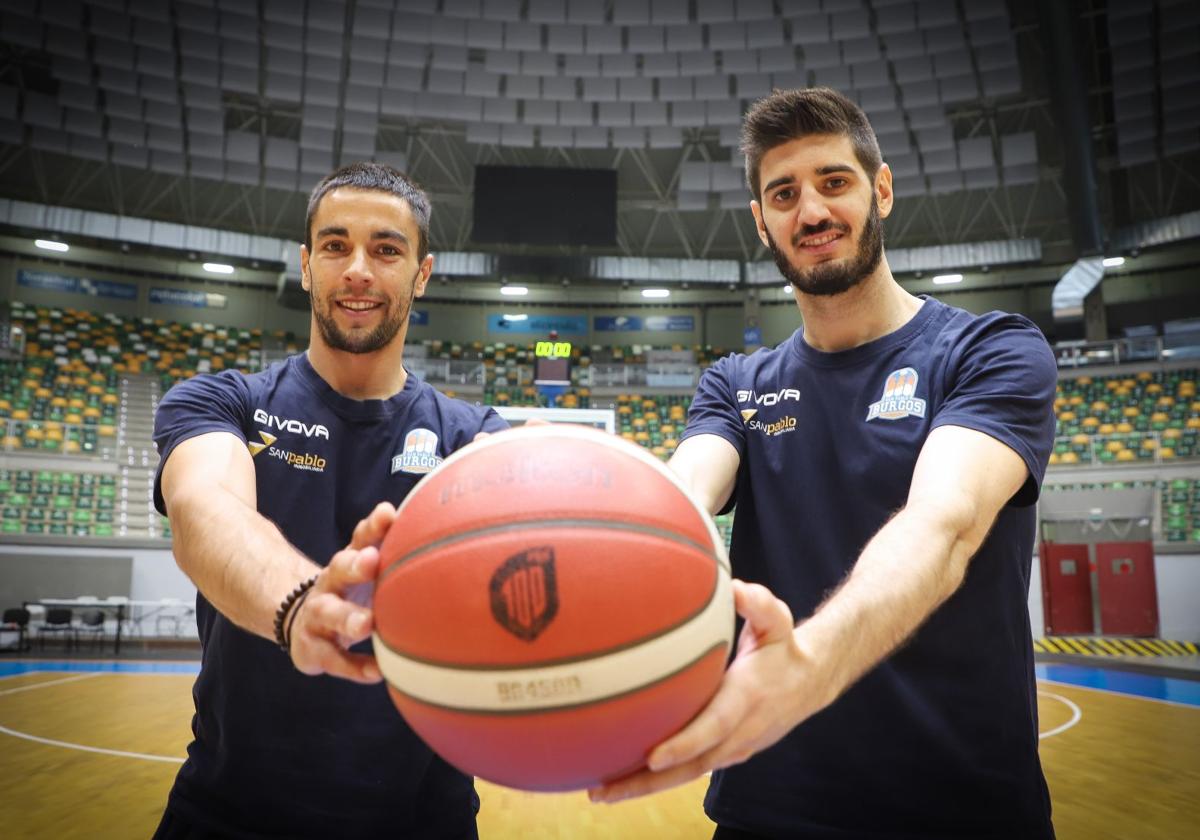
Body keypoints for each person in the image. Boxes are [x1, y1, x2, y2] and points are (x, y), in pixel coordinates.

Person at [590, 88, 1058, 840]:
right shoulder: (736, 385)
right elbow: (680, 493)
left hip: (962, 810)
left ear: (881, 189)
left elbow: (945, 523)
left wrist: (808, 667)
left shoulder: (990, 351)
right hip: (767, 810)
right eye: (784, 193)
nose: (810, 212)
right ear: (761, 221)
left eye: (833, 182)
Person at [152, 162, 507, 838]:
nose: (359, 270)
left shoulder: (476, 439)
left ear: (422, 274)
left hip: (422, 820)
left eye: (386, 249)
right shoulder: (224, 402)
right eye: (337, 245)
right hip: (227, 814)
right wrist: (299, 604)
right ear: (307, 264)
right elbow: (205, 508)